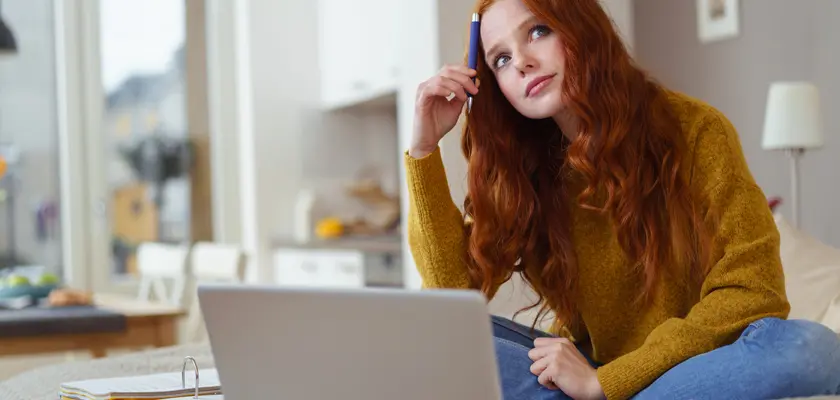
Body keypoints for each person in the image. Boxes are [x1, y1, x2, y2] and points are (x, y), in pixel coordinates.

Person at [404, 0, 840, 399]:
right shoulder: (526, 174)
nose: (522, 62)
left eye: (538, 31)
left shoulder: (696, 131)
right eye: (501, 58)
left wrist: (606, 384)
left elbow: (754, 293)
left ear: (578, 26)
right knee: (433, 334)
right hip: (591, 370)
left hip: (694, 365)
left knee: (809, 348)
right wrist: (423, 151)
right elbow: (450, 301)